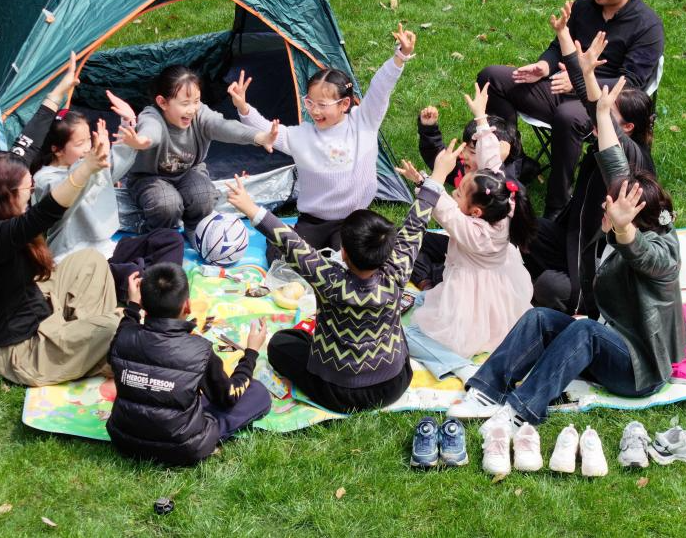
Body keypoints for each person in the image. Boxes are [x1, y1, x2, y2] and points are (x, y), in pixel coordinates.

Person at [449, 78, 686, 437]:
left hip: (640, 370)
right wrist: (603, 112)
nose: (604, 210)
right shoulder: (615, 225)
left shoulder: (662, 253)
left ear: (635, 217)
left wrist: (623, 231)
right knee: (541, 319)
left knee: (585, 332)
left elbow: (644, 257)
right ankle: (486, 390)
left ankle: (521, 409)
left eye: (612, 209)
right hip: (610, 341)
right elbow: (613, 161)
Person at [224, 140, 462, 414]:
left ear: (344, 253)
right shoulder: (399, 268)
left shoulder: (328, 277)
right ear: (388, 250)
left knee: (281, 344)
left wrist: (249, 206)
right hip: (393, 383)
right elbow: (416, 222)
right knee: (396, 335)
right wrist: (439, 174)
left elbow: (289, 241)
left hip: (338, 392)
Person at [0, 55, 124, 386]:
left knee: (90, 261)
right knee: (119, 325)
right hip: (21, 350)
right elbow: (45, 212)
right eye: (26, 191)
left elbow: (25, 146)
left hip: (36, 306)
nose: (30, 193)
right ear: (5, 198)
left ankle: (86, 344)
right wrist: (87, 166)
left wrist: (57, 93)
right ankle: (93, 346)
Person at [477, 0, 664, 218]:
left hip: (602, 106)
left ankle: (557, 206)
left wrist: (582, 83)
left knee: (568, 116)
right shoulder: (584, 5)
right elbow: (557, 48)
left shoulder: (647, 25)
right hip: (559, 86)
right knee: (493, 77)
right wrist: (543, 66)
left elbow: (633, 83)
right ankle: (513, 164)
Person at [228, 24, 417, 262]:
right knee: (280, 253)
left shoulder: (364, 122)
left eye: (323, 105)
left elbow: (380, 89)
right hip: (313, 222)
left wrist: (400, 57)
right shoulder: (302, 136)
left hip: (354, 220)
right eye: (310, 103)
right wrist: (244, 108)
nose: (314, 111)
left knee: (359, 259)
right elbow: (269, 131)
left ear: (344, 105)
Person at [397, 83, 536, 382]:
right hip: (500, 288)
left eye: (459, 194)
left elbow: (439, 207)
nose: (455, 194)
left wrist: (433, 177)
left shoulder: (470, 231)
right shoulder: (503, 202)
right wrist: (482, 119)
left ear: (475, 211)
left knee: (413, 336)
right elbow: (492, 163)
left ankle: (458, 367)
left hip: (469, 298)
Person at [524, 6, 657, 318]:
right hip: (572, 239)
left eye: (609, 114)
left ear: (626, 130)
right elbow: (593, 101)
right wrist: (567, 41)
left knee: (549, 287)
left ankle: (567, 304)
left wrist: (583, 74)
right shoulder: (610, 140)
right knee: (523, 225)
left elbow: (595, 104)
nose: (598, 115)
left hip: (598, 263)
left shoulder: (629, 161)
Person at [106, 264, 272, 466]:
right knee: (257, 392)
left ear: (143, 303)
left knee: (183, 391)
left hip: (124, 438)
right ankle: (212, 432)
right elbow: (227, 397)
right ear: (187, 306)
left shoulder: (124, 336)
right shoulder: (199, 349)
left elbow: (124, 331)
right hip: (183, 447)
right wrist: (251, 353)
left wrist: (132, 306)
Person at [31, 98, 183, 302]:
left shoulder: (87, 162)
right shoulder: (44, 181)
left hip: (106, 249)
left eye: (89, 140)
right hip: (76, 261)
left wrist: (128, 123)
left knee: (169, 238)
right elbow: (74, 188)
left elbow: (112, 165)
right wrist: (91, 163)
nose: (87, 148)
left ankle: (164, 285)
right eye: (80, 143)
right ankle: (156, 295)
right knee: (131, 272)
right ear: (56, 149)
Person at [122, 65, 279, 239]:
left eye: (196, 101)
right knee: (167, 204)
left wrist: (259, 137)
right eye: (185, 103)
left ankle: (196, 231)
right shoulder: (152, 116)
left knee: (203, 196)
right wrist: (142, 141)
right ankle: (162, 238)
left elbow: (224, 127)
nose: (192, 109)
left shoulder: (200, 115)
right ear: (162, 103)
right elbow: (151, 131)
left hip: (188, 171)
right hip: (150, 177)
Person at [412, 107, 526, 290]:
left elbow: (445, 210)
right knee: (416, 241)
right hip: (460, 246)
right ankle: (427, 281)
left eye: (473, 151)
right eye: (465, 147)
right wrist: (429, 129)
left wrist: (425, 185)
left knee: (448, 276)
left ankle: (431, 279)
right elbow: (441, 160)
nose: (463, 155)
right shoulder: (469, 173)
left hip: (479, 269)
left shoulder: (502, 192)